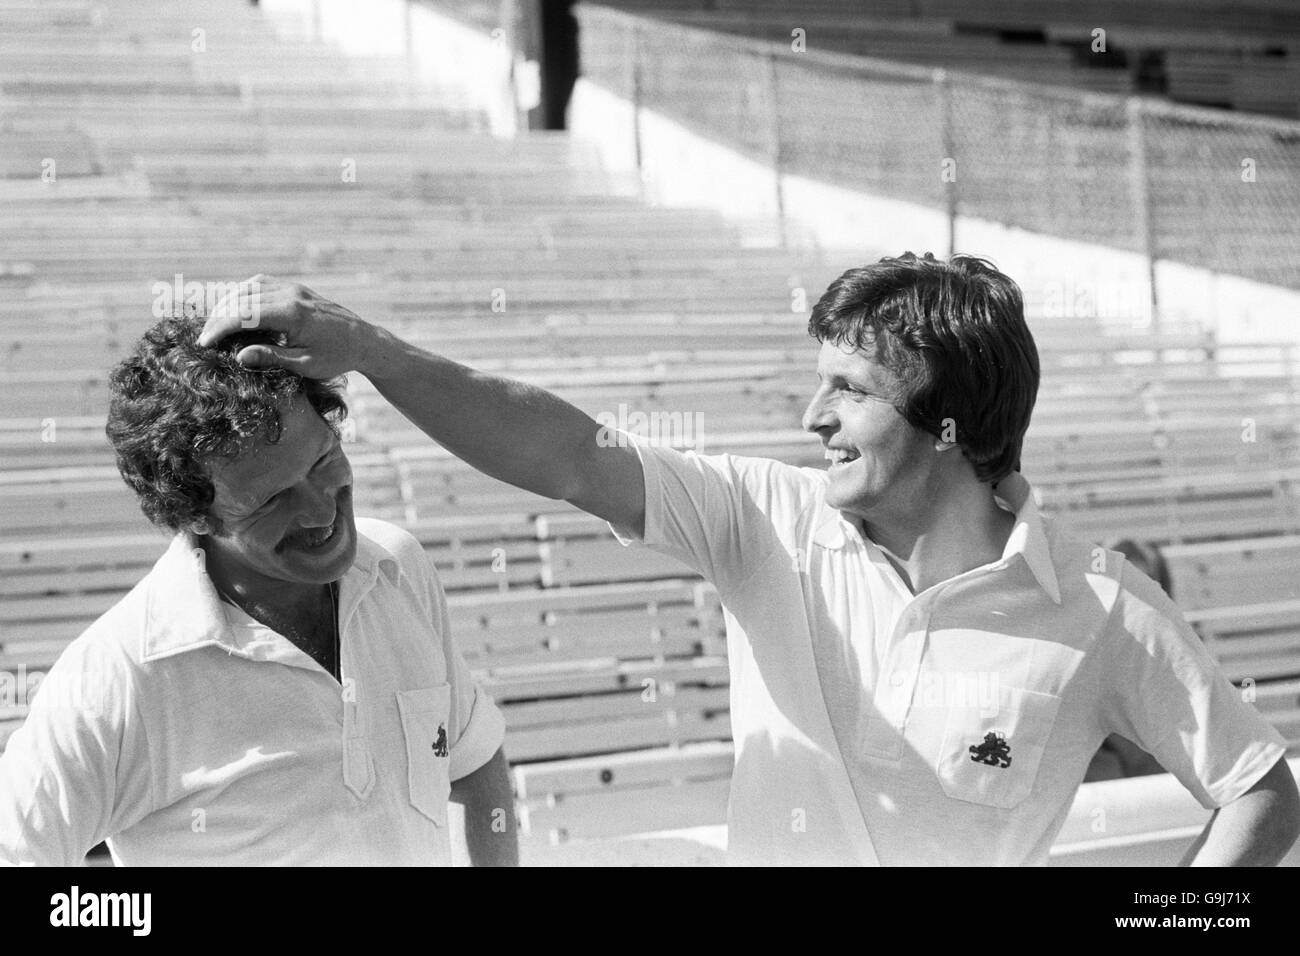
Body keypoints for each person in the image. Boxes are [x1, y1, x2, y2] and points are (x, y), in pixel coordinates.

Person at [195, 256, 1299, 866]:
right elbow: (572, 457)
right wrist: (374, 352)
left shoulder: (1100, 603)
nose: (813, 415)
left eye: (850, 391)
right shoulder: (766, 516)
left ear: (952, 421)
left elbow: (1260, 789)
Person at [0, 316, 517, 866]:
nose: (321, 511)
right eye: (271, 501)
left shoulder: (397, 569)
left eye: (322, 460)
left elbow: (473, 768)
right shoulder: (120, 677)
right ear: (194, 514)